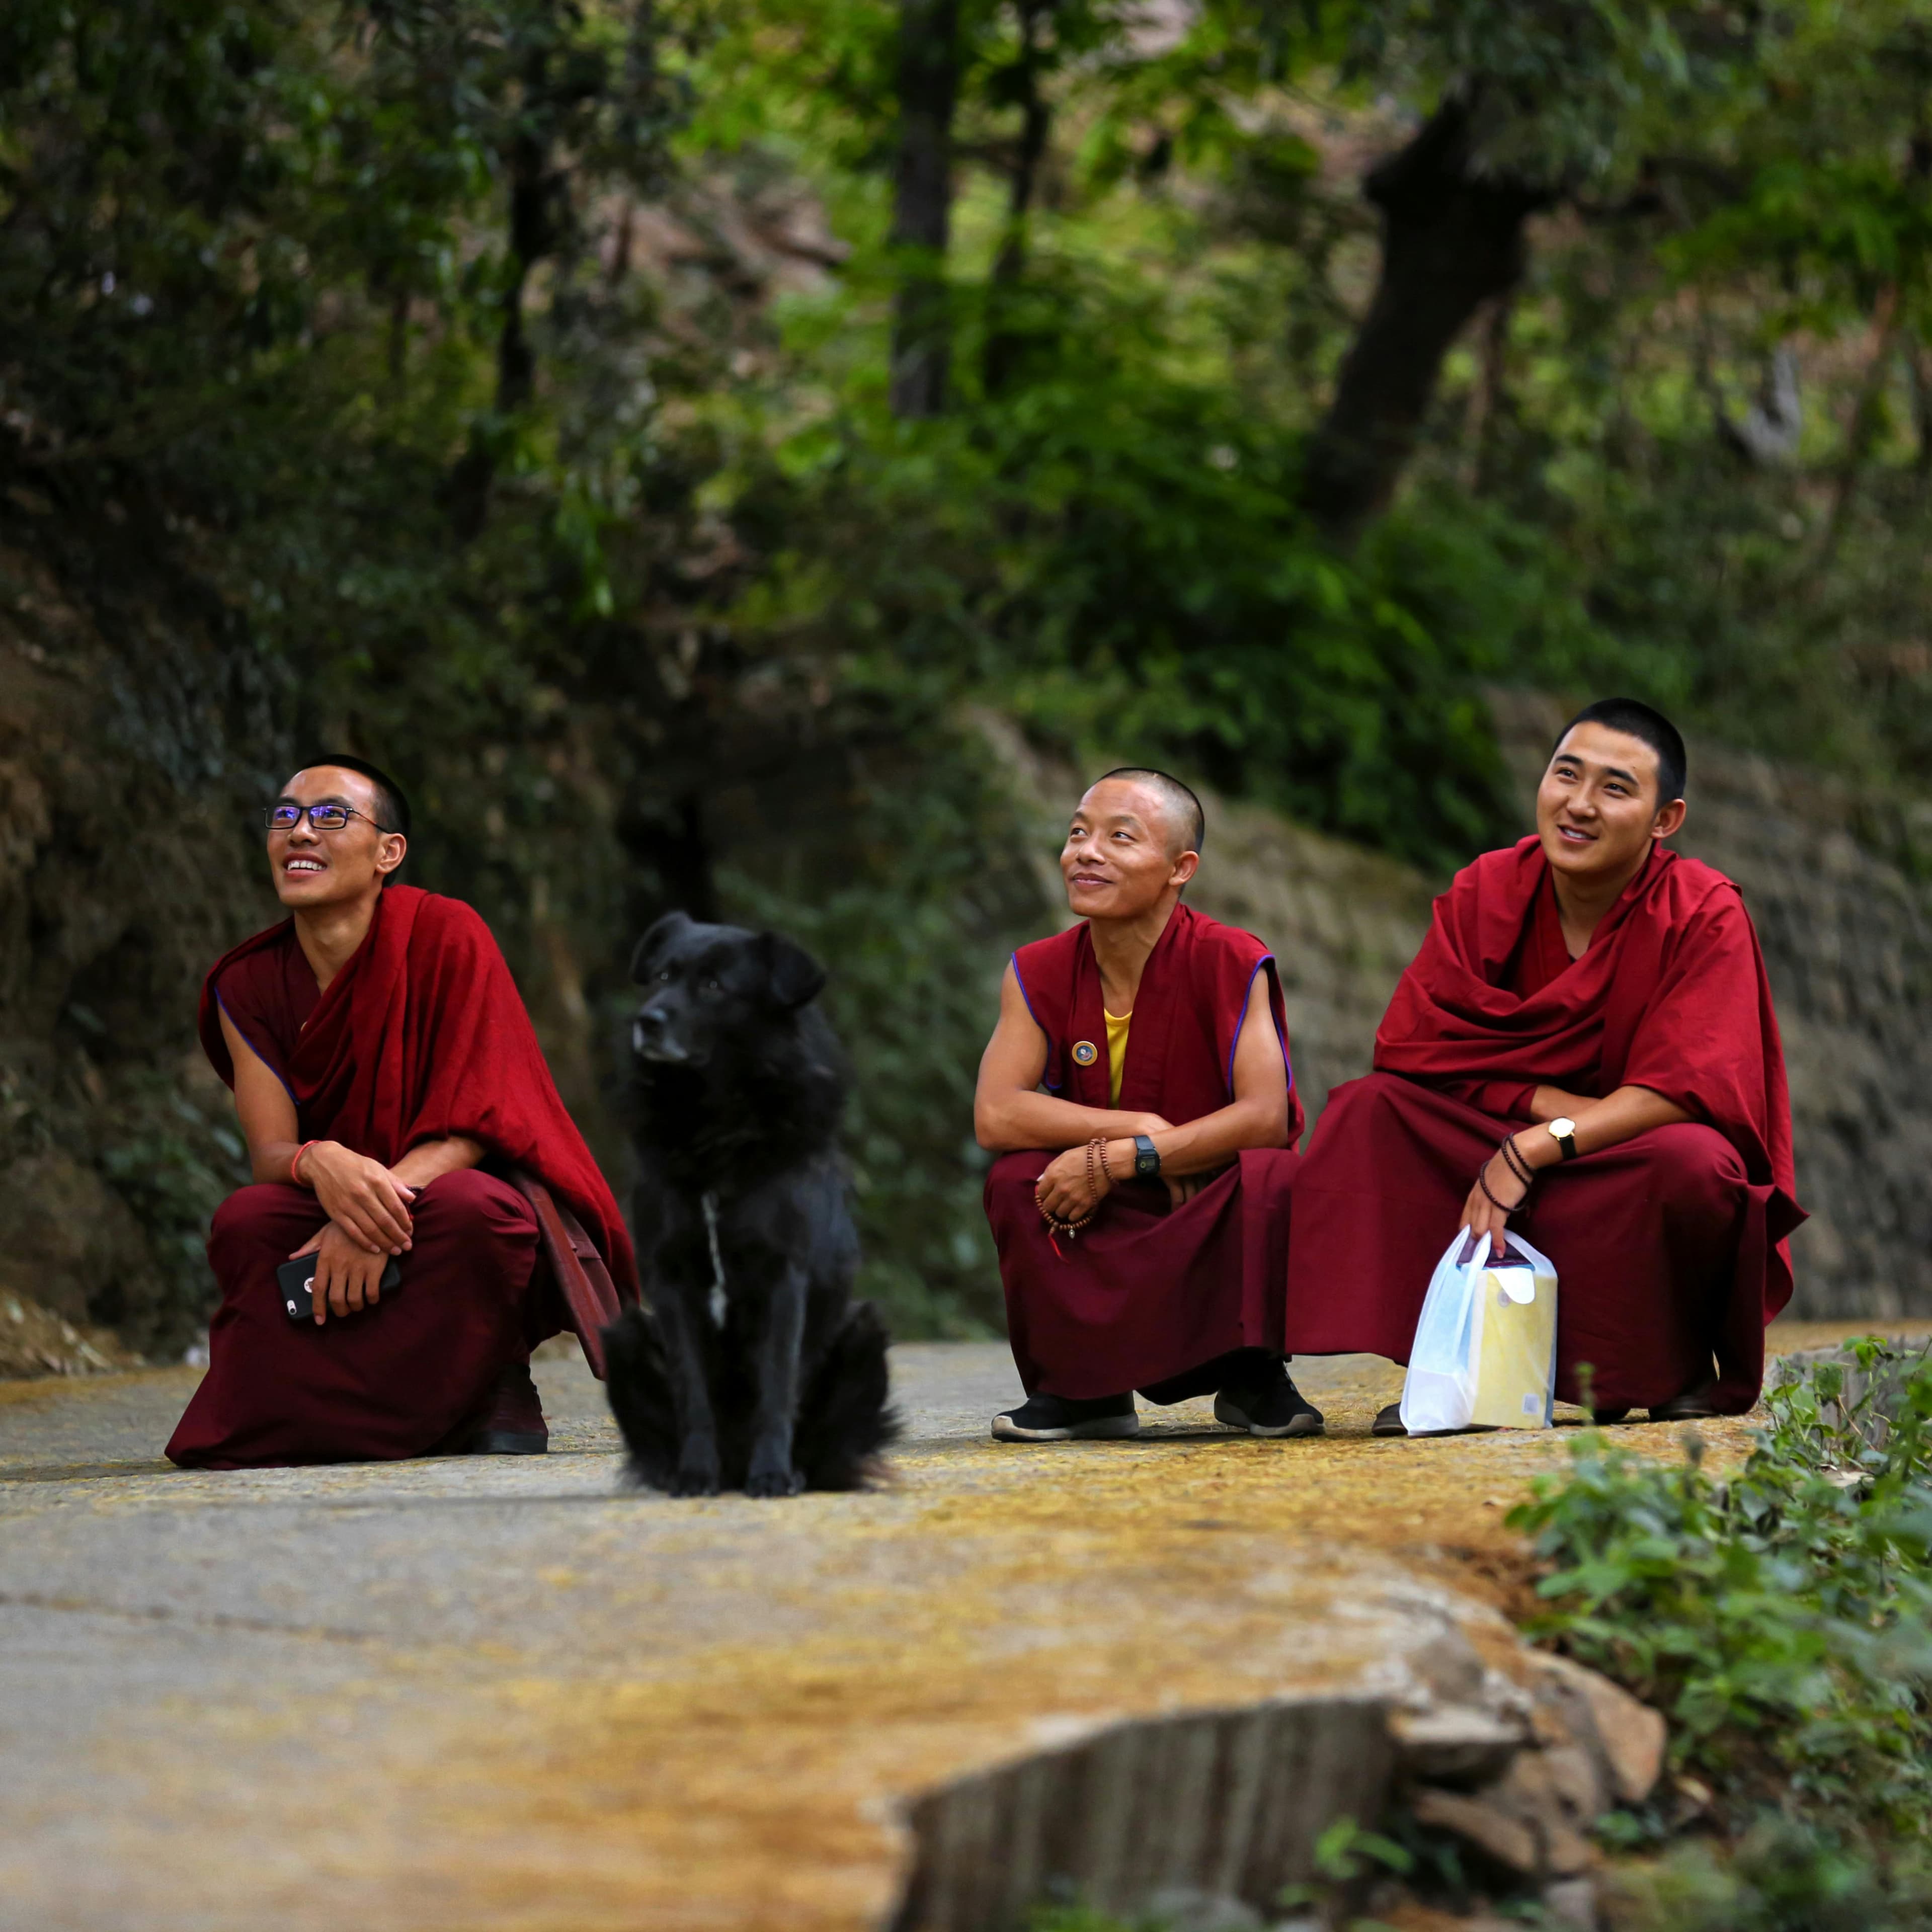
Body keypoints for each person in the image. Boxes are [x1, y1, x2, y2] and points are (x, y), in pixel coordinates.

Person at [1284, 699, 1803, 1429]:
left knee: (1697, 1166)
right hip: (1513, 1126)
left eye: (1616, 789)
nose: (1579, 805)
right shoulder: (1488, 888)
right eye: (1567, 775)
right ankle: (1455, 1376)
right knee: (1373, 1112)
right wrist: (1545, 1111)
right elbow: (1414, 1046)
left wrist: (1536, 1148)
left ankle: (1666, 1367)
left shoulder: (1702, 910)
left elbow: (1694, 1082)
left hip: (1629, 1151)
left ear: (1666, 820)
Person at [166, 756, 636, 1469]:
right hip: (330, 1200)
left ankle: (477, 1381)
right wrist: (321, 1164)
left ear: (390, 852)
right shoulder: (247, 982)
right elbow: (272, 1155)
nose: (300, 833)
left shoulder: (446, 934)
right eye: (286, 817)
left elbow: (479, 1114)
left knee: (483, 1214)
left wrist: (374, 1219)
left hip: (436, 1195)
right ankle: (451, 1403)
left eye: (330, 816)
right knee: (246, 1222)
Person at [976, 767, 1320, 1441]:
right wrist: (1133, 1133)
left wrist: (1129, 1159)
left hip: (1202, 1195)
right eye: (1078, 834)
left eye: (1119, 838)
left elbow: (1265, 1116)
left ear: (1179, 868)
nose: (1086, 852)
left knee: (1272, 1177)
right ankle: (1081, 1391)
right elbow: (997, 1114)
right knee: (1017, 1180)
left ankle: (1255, 1376)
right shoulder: (1038, 970)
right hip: (1116, 1194)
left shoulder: (1231, 958)